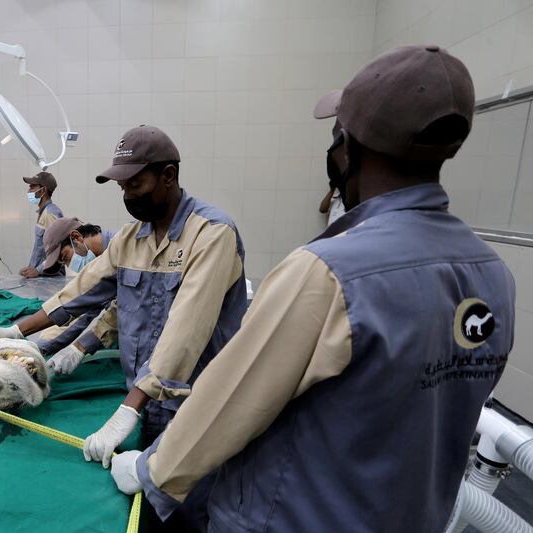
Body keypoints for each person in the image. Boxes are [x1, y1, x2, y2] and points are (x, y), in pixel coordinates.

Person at [108, 45, 516, 533]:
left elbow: (231, 400)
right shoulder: (493, 274)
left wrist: (151, 471)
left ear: (349, 146)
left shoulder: (327, 274)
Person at [0, 125, 247, 529]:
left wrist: (126, 412)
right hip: (148, 401)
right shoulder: (129, 240)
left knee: (190, 507)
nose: (127, 196)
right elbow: (79, 294)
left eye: (135, 184)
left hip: (197, 404)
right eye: (121, 187)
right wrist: (18, 332)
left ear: (169, 175)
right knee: (145, 510)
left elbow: (185, 331)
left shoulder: (211, 235)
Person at [34, 218, 119, 374]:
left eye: (65, 257)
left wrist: (80, 347)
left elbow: (120, 312)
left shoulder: (122, 250)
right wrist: (38, 347)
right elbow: (84, 314)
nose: (68, 266)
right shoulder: (101, 266)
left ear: (76, 237)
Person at [19, 171, 63, 278]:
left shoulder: (50, 214)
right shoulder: (43, 213)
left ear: (43, 190)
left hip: (51, 279)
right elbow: (40, 249)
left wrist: (38, 270)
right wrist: (31, 268)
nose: (29, 191)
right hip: (42, 278)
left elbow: (58, 252)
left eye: (32, 187)